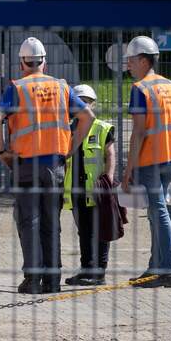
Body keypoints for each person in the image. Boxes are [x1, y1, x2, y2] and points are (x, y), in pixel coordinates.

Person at [0, 37, 93, 294]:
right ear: (44, 62)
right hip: (55, 165)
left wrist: (2, 150)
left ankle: (33, 279)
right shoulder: (61, 87)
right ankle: (53, 280)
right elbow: (87, 116)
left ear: (22, 63)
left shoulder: (17, 88)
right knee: (51, 222)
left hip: (26, 165)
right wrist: (71, 146)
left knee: (29, 222)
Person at [121, 35, 171, 288]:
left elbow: (139, 133)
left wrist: (128, 171)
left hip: (150, 160)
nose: (128, 65)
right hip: (170, 158)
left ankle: (167, 269)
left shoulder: (140, 89)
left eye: (131, 61)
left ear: (144, 60)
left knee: (159, 214)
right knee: (157, 214)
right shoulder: (168, 85)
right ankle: (155, 268)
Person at [62, 84, 116, 286]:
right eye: (79, 101)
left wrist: (108, 179)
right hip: (76, 190)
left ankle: (99, 271)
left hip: (97, 189)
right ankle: (87, 269)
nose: (82, 105)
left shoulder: (103, 128)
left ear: (93, 104)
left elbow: (110, 155)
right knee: (84, 231)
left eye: (86, 101)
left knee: (101, 229)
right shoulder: (67, 129)